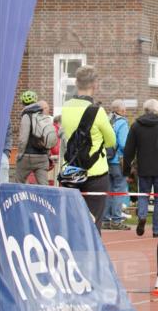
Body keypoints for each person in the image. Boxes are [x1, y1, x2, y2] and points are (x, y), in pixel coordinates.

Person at [60, 66, 116, 229]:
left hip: (73, 170)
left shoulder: (66, 107)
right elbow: (111, 141)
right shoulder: (97, 111)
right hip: (95, 172)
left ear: (76, 83)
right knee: (93, 222)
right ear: (95, 84)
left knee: (74, 221)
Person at [122, 99, 158, 237]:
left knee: (143, 195)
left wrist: (127, 171)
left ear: (145, 110)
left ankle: (142, 216)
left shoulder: (136, 126)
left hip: (143, 167)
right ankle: (157, 229)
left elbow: (129, 150)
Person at [15, 90, 57, 185]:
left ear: (23, 102)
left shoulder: (26, 116)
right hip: (42, 157)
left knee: (19, 184)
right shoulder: (44, 116)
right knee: (44, 186)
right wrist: (47, 154)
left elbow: (23, 139)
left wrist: (20, 154)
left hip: (27, 157)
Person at [104, 100, 131, 230]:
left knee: (108, 190)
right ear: (122, 110)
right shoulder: (122, 123)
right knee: (119, 190)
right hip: (118, 161)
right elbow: (124, 143)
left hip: (105, 160)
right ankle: (116, 219)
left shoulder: (106, 121)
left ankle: (105, 219)